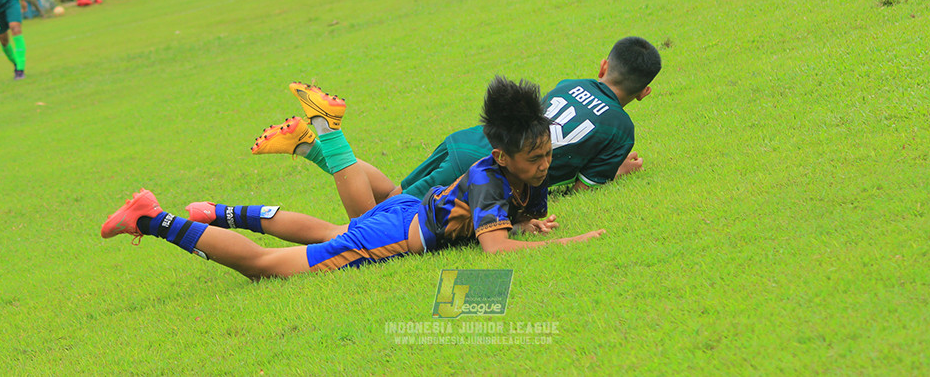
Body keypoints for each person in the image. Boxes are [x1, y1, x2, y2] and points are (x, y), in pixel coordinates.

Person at [101, 78, 605, 280]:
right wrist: (572, 243)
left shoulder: (525, 173)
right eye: (535, 158)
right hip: (393, 233)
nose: (544, 164)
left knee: (333, 232)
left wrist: (528, 225)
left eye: (546, 154)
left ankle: (221, 211)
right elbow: (496, 251)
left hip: (407, 212)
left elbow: (504, 225)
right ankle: (152, 219)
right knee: (264, 268)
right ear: (502, 155)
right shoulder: (490, 176)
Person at [252, 36, 661, 219]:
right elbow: (579, 190)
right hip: (482, 166)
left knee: (395, 197)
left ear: (604, 66)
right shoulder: (621, 130)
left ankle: (308, 144)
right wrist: (615, 171)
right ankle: (326, 130)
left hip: (467, 141)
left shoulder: (571, 84)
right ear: (642, 93)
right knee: (369, 223)